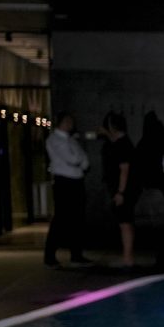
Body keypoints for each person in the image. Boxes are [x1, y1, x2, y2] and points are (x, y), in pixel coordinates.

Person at [43, 112, 93, 268]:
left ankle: (76, 254)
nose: (71, 124)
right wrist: (80, 160)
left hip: (76, 180)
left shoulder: (71, 139)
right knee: (61, 218)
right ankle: (50, 256)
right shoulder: (54, 139)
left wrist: (80, 161)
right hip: (64, 182)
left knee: (77, 218)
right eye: (68, 121)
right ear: (61, 122)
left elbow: (84, 160)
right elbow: (73, 159)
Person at [100, 111, 138, 268]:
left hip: (123, 190)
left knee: (125, 222)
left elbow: (124, 170)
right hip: (124, 189)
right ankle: (127, 256)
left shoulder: (123, 145)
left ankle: (128, 258)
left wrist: (120, 192)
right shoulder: (121, 143)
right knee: (125, 222)